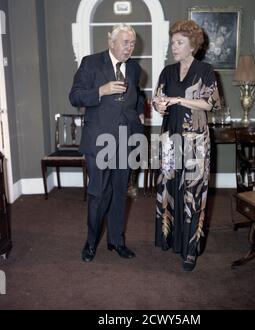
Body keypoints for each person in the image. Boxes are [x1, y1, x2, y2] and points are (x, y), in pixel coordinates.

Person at [69, 24, 144, 262]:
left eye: (132, 43)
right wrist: (100, 90)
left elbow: (138, 95)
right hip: (99, 141)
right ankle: (90, 243)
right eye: (125, 42)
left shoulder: (134, 68)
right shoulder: (90, 63)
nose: (129, 47)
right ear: (111, 42)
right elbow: (75, 96)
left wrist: (141, 112)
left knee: (120, 193)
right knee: (99, 193)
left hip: (126, 139)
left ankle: (116, 241)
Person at [153, 20, 221, 271]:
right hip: (170, 138)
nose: (174, 47)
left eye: (179, 43)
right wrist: (158, 106)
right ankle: (170, 238)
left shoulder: (205, 70)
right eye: (173, 42)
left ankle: (190, 250)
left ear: (193, 46)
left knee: (193, 193)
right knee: (171, 187)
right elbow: (158, 100)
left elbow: (210, 104)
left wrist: (179, 99)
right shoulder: (167, 71)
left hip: (196, 141)